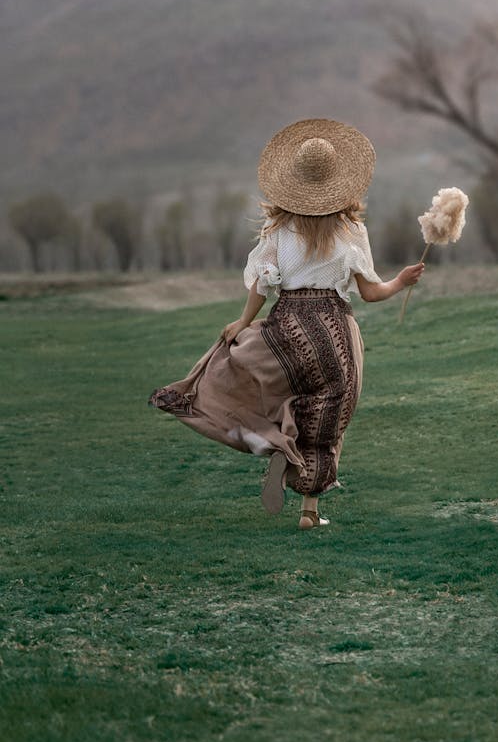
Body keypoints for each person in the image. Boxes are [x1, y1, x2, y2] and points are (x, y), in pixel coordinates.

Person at [149, 118, 424, 530]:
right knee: (331, 411)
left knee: (285, 395)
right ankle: (310, 510)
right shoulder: (352, 231)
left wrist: (243, 322)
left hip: (287, 329)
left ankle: (281, 443)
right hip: (333, 330)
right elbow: (370, 293)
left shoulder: (278, 229)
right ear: (340, 182)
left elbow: (262, 283)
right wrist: (401, 281)